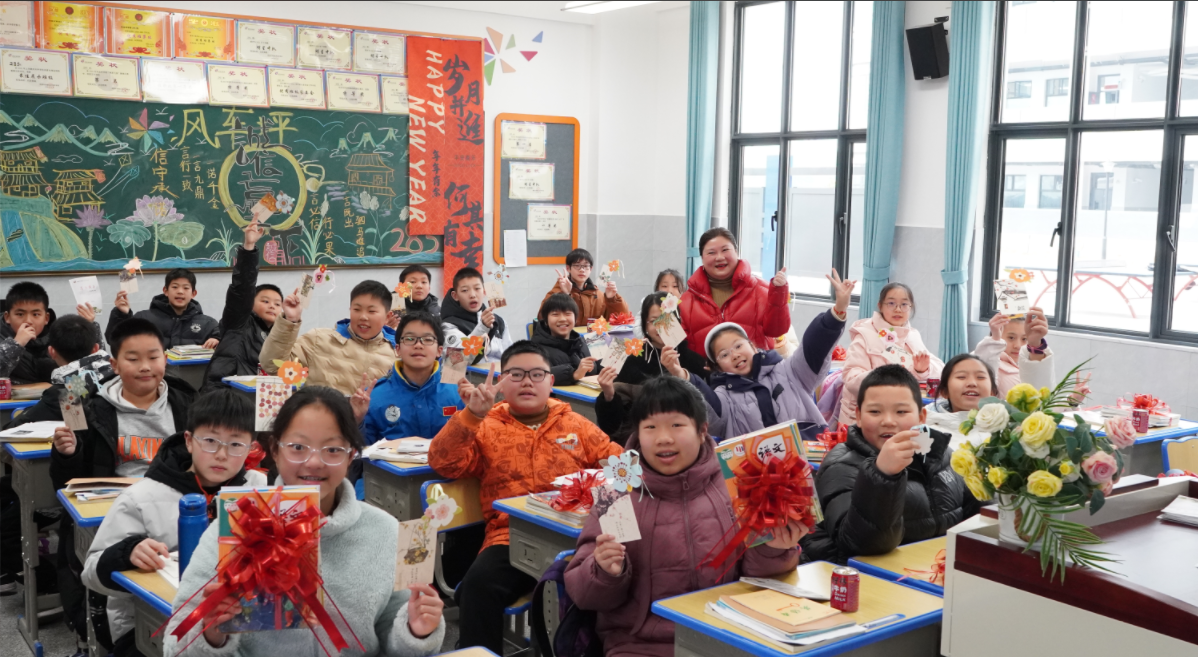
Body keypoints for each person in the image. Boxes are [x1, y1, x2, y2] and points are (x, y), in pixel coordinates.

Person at [164, 386, 445, 656]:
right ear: (274, 450)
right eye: (298, 447)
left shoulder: (384, 531)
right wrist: (210, 632)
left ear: (351, 456)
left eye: (332, 450)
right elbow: (175, 645)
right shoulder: (234, 528)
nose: (313, 462)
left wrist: (415, 631)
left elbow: (393, 636)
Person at [565, 377, 803, 657]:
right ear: (638, 434)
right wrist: (604, 571)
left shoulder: (737, 483)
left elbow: (757, 585)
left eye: (677, 425)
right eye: (650, 427)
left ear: (702, 430)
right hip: (642, 645)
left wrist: (774, 550)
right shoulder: (617, 493)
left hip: (728, 637)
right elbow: (585, 596)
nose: (664, 438)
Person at [429, 341, 622, 654]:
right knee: (478, 586)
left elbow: (619, 464)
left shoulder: (575, 424)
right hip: (511, 538)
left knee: (614, 579)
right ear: (501, 382)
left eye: (537, 374)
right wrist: (470, 417)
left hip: (577, 537)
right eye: (516, 375)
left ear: (551, 381)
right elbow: (444, 463)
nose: (528, 381)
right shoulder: (486, 425)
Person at [82, 388, 266, 657]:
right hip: (151, 624)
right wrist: (127, 553)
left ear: (251, 447)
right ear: (189, 441)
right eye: (210, 441)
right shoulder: (141, 497)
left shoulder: (260, 489)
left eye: (236, 444)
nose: (222, 454)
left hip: (237, 617)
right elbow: (90, 572)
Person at [800, 365, 981, 564]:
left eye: (901, 411)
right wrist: (883, 475)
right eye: (875, 411)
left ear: (921, 417)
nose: (888, 421)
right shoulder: (841, 466)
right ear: (858, 416)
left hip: (932, 574)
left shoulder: (941, 455)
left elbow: (979, 517)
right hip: (867, 579)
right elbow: (863, 545)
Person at [667, 271, 855, 441]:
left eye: (739, 345)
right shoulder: (723, 398)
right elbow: (706, 404)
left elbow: (815, 346)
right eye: (724, 354)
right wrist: (681, 374)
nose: (735, 355)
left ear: (753, 347)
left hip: (808, 465)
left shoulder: (790, 372)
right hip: (754, 474)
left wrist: (837, 310)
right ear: (716, 366)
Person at [50, 318, 195, 488]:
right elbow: (67, 485)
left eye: (153, 357)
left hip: (175, 501)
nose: (145, 367)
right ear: (115, 365)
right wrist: (68, 455)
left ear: (165, 359)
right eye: (133, 359)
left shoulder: (189, 406)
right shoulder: (87, 409)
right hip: (112, 504)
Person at [593, 292, 708, 442]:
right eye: (654, 321)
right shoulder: (630, 361)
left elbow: (708, 410)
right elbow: (612, 427)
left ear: (678, 322)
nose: (661, 326)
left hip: (687, 441)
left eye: (667, 319)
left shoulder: (695, 361)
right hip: (642, 443)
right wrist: (608, 395)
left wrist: (679, 374)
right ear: (644, 325)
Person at [260, 279, 397, 395]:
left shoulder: (398, 353)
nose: (363, 316)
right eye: (357, 309)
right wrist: (290, 321)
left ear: (388, 316)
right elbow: (273, 366)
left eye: (372, 311)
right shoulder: (317, 340)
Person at [839, 282, 943, 425]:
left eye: (904, 304)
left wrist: (922, 370)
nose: (898, 309)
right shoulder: (864, 334)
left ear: (911, 308)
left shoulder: (912, 335)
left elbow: (940, 370)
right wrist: (889, 376)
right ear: (880, 305)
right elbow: (851, 379)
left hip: (900, 414)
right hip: (863, 418)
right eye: (891, 303)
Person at [679, 227, 791, 356]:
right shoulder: (686, 301)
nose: (719, 257)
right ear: (702, 258)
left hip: (754, 373)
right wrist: (659, 318)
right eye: (711, 253)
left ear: (736, 252)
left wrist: (779, 293)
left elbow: (777, 331)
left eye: (725, 250)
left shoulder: (762, 291)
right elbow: (675, 346)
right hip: (705, 375)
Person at [201, 217, 284, 391]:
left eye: (277, 304)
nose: (272, 306)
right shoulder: (240, 322)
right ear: (250, 303)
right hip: (225, 392)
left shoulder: (278, 335)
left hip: (260, 397)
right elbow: (242, 288)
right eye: (265, 301)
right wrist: (248, 248)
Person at [357, 311, 464, 444]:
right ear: (398, 349)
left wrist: (477, 412)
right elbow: (361, 454)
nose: (418, 345)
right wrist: (357, 421)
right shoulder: (374, 396)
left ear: (439, 350)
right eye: (409, 339)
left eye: (428, 339)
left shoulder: (458, 394)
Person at [1, 282, 101, 383]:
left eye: (35, 314)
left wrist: (88, 329)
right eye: (20, 314)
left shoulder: (60, 335)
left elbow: (96, 370)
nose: (28, 321)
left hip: (57, 396)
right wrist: (15, 344)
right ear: (7, 317)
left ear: (46, 318)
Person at [107, 268, 220, 350]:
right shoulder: (144, 318)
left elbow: (227, 345)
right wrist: (121, 314)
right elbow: (115, 340)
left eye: (186, 288)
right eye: (175, 287)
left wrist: (218, 341)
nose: (180, 291)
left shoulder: (208, 324)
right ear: (165, 291)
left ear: (193, 293)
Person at [973, 307, 1055, 397]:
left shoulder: (1019, 365)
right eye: (1011, 338)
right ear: (997, 334)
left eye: (1024, 339)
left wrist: (1035, 344)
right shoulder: (1002, 373)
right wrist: (995, 339)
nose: (1018, 345)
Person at [925, 354, 1000, 448]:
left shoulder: (1006, 429)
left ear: (992, 392)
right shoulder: (926, 431)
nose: (972, 383)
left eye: (980, 377)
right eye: (961, 377)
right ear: (944, 391)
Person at [440, 267, 512, 362]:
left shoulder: (499, 321)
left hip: (499, 374)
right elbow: (457, 361)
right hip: (470, 376)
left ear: (484, 291)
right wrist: (482, 328)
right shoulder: (448, 325)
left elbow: (510, 356)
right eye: (465, 290)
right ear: (455, 296)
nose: (473, 295)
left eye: (477, 288)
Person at [544, 248, 630, 327]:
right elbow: (543, 317)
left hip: (593, 341)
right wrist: (565, 295)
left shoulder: (598, 295)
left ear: (591, 269)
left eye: (585, 266)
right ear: (568, 268)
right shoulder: (558, 291)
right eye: (577, 265)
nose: (582, 270)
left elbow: (620, 320)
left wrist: (612, 299)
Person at [531, 293, 599, 385]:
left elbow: (601, 367)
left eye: (568, 314)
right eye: (555, 314)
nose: (562, 319)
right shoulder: (535, 349)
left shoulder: (583, 342)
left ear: (575, 319)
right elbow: (536, 375)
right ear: (546, 321)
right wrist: (574, 374)